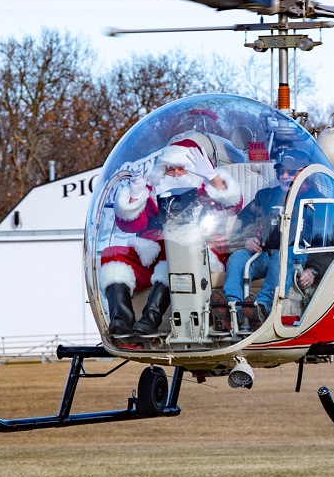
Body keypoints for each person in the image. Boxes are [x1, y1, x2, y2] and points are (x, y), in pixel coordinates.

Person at [99, 139, 242, 336]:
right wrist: (134, 196)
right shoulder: (152, 192)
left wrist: (212, 176)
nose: (175, 175)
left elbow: (232, 205)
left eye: (181, 169)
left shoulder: (206, 190)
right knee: (113, 254)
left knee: (175, 254)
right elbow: (130, 225)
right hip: (153, 250)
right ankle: (121, 320)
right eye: (170, 170)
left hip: (195, 252)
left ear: (194, 170)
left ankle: (150, 319)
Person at [212, 149, 328, 330]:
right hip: (264, 255)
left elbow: (331, 241)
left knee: (285, 255)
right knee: (239, 258)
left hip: (296, 258)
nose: (283, 176)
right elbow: (241, 223)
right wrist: (246, 239)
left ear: (306, 174)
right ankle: (233, 309)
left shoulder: (322, 203)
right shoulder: (265, 196)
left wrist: (313, 270)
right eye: (280, 171)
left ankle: (262, 307)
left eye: (290, 172)